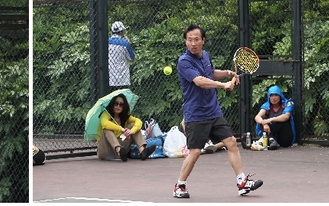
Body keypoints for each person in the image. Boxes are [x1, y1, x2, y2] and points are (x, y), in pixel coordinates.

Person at [173, 24, 263, 198]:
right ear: (185, 41)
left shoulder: (205, 56)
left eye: (196, 39)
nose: (193, 43)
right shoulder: (184, 61)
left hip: (213, 112)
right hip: (196, 114)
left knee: (231, 142)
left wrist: (228, 73)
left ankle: (242, 182)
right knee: (195, 152)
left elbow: (210, 73)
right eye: (189, 40)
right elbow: (200, 81)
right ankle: (180, 185)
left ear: (203, 41)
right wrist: (223, 85)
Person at [96, 93, 156, 162]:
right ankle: (119, 151)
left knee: (133, 125)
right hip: (105, 151)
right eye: (116, 104)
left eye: (121, 104)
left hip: (121, 148)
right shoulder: (105, 114)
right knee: (106, 129)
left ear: (124, 107)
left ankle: (142, 151)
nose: (118, 106)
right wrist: (121, 129)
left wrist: (131, 132)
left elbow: (138, 121)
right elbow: (105, 124)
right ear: (112, 104)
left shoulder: (124, 117)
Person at [254, 85, 296, 150]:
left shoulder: (287, 103)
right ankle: (271, 139)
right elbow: (257, 117)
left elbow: (286, 116)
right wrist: (264, 123)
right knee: (263, 117)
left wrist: (270, 119)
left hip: (285, 138)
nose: (274, 98)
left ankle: (266, 139)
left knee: (280, 118)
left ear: (280, 96)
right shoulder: (266, 105)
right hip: (272, 137)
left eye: (276, 95)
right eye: (271, 95)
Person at [108, 21, 135, 88]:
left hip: (110, 78)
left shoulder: (106, 42)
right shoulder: (125, 43)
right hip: (123, 79)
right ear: (122, 32)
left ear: (112, 31)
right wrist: (128, 43)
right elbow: (132, 58)